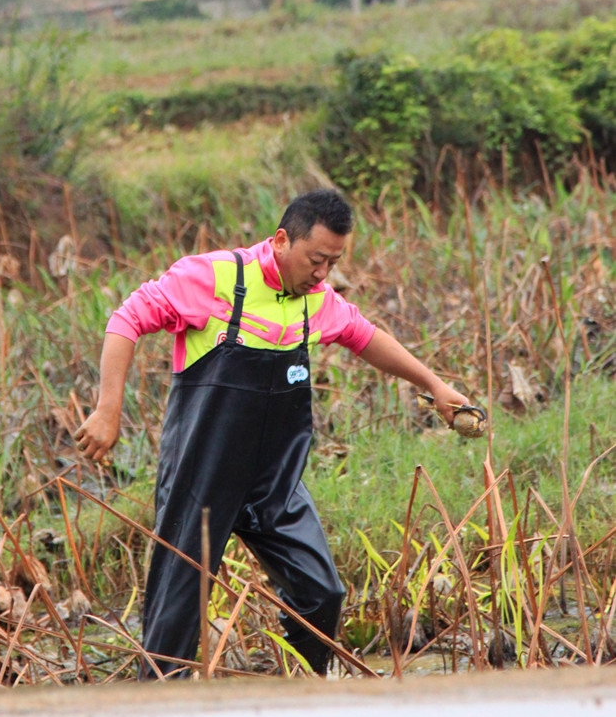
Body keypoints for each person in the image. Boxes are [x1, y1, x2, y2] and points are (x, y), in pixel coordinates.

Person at [74, 190, 470, 678]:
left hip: (274, 485)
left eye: (334, 261)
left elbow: (366, 338)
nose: (324, 273)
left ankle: (299, 701)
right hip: (201, 482)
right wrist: (107, 409)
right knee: (172, 632)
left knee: (322, 594)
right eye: (316, 259)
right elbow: (126, 319)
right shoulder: (214, 278)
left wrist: (433, 385)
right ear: (282, 240)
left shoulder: (316, 302)